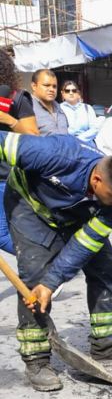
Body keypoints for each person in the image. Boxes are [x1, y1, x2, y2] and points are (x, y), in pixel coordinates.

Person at [1, 132, 112, 391]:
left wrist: (53, 282)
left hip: (76, 215)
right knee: (34, 277)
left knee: (104, 267)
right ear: (97, 179)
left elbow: (85, 244)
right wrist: (44, 283)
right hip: (29, 206)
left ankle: (105, 345)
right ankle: (36, 359)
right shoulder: (54, 153)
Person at [0, 50, 40, 256]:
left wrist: (8, 120)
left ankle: (43, 264)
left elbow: (33, 135)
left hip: (9, 176)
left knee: (2, 233)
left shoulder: (16, 98)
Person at [30, 69, 68, 136]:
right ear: (34, 86)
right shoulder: (27, 107)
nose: (51, 89)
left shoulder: (58, 107)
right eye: (46, 85)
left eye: (54, 86)